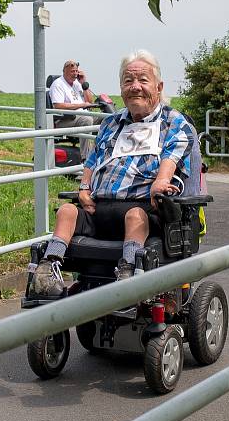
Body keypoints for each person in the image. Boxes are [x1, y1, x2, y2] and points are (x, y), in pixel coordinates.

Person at [31, 49, 196, 297]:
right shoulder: (111, 122)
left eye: (143, 80)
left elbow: (172, 157)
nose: (135, 87)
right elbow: (94, 158)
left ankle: (127, 272)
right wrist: (85, 186)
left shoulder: (175, 122)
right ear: (121, 88)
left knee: (135, 216)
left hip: (141, 208)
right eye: (128, 81)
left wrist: (161, 181)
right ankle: (47, 269)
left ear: (159, 86)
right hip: (99, 208)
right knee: (66, 211)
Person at [49, 60, 96, 158]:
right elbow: (58, 105)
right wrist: (80, 105)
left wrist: (84, 84)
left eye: (76, 71)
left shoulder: (77, 84)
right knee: (87, 120)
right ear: (64, 71)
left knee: (104, 120)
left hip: (82, 115)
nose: (75, 74)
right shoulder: (58, 84)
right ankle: (86, 158)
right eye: (72, 71)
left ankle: (100, 153)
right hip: (65, 119)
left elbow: (90, 102)